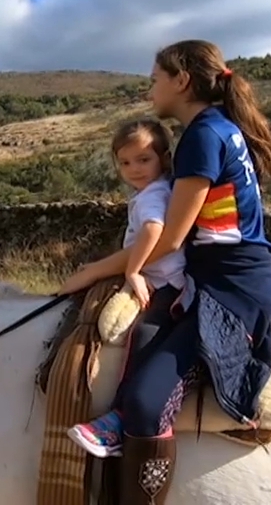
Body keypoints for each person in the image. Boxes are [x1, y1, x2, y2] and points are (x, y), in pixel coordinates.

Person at [58, 39, 271, 504]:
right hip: (223, 276)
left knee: (143, 404)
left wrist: (94, 270)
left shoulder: (204, 135)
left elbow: (168, 238)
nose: (150, 88)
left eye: (156, 78)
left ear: (181, 81)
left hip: (230, 288)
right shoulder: (218, 128)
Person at [66, 118, 186, 458]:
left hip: (166, 281)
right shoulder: (153, 191)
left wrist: (133, 270)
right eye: (125, 162)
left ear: (162, 158)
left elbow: (153, 230)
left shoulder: (153, 195)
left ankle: (121, 418)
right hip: (160, 274)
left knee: (145, 332)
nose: (134, 169)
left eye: (143, 159)